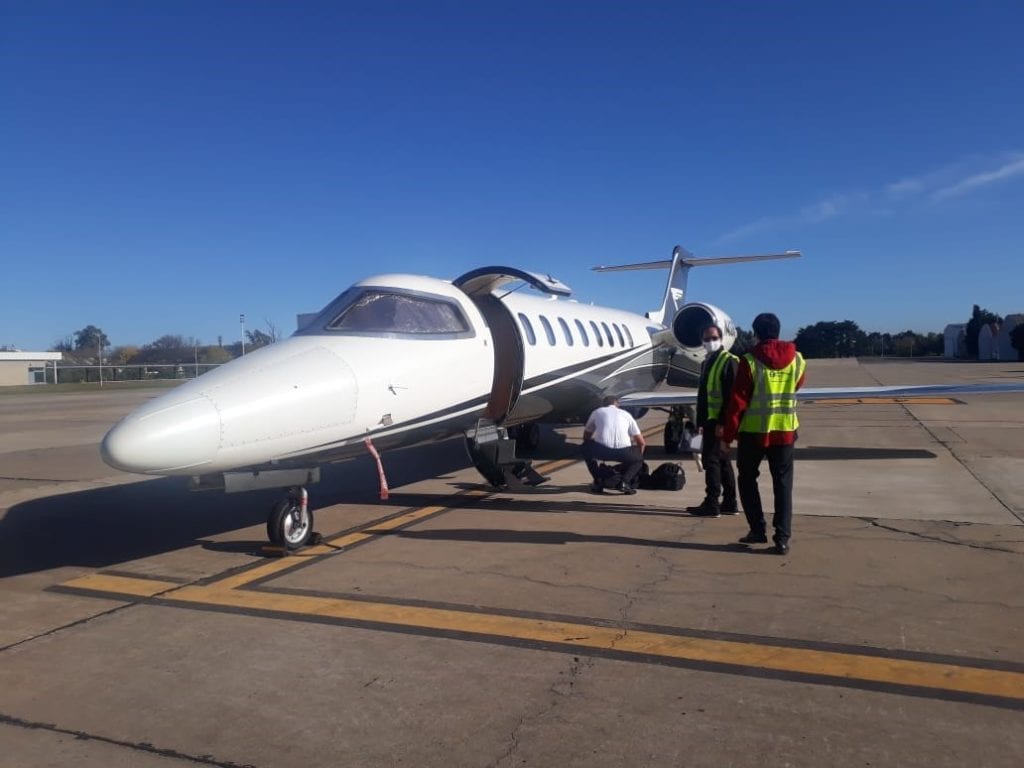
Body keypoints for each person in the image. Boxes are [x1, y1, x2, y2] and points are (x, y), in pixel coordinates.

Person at [716, 313, 805, 555]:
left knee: (747, 480)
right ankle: (782, 538)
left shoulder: (749, 361)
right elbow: (797, 385)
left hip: (753, 433)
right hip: (784, 431)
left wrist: (727, 438)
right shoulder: (797, 359)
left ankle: (757, 529)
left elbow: (738, 403)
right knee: (783, 485)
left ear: (755, 334)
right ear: (778, 331)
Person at [686, 323, 739, 517]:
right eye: (707, 339)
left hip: (718, 422)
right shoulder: (707, 362)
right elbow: (704, 396)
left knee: (712, 461)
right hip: (709, 421)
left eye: (714, 338)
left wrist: (723, 423)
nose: (710, 342)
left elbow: (732, 396)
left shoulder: (729, 361)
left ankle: (712, 503)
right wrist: (700, 423)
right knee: (723, 460)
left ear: (721, 339)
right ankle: (730, 502)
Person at [582, 395, 646, 494]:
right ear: (617, 404)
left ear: (603, 405)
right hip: (624, 452)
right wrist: (637, 457)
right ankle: (624, 482)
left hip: (602, 451)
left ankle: (598, 481)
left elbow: (586, 436)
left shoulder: (597, 412)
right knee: (638, 460)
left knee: (585, 447)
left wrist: (594, 442)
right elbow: (641, 443)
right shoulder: (626, 415)